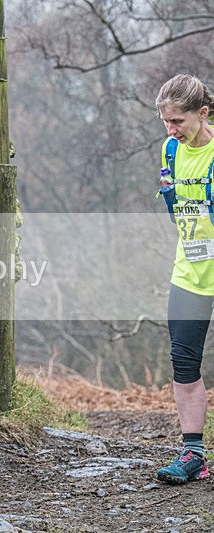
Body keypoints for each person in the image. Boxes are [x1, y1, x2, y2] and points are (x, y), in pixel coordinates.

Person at [155, 73, 214, 485]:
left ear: (203, 113)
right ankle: (193, 455)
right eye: (165, 121)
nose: (171, 129)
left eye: (178, 121)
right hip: (190, 271)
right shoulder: (170, 150)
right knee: (183, 361)